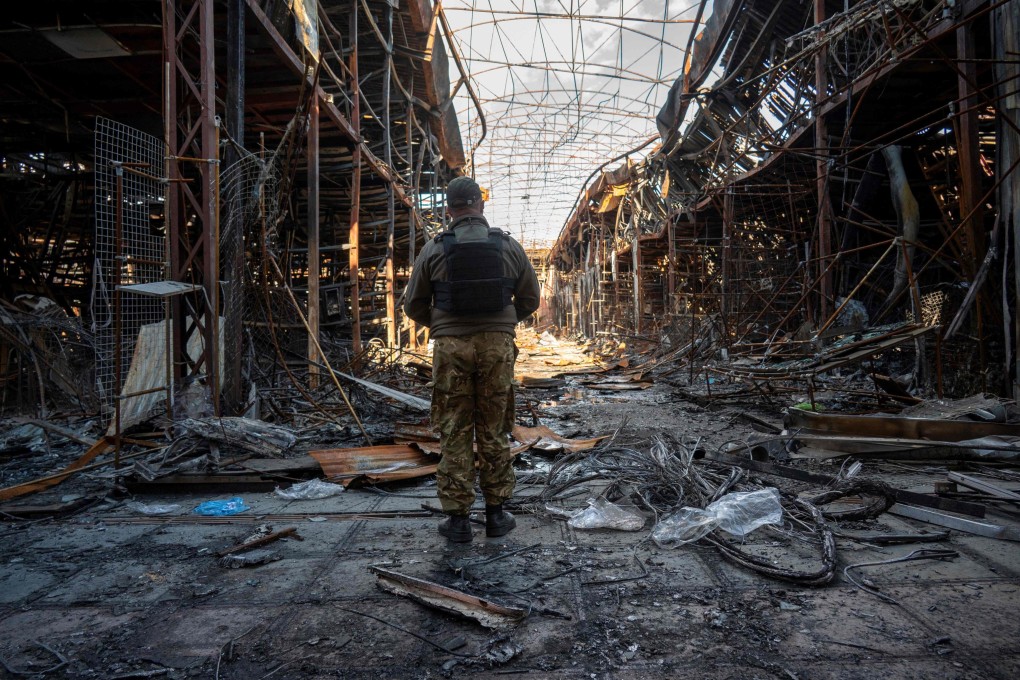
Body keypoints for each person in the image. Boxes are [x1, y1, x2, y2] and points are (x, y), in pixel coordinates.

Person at [404, 176, 541, 542]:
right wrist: (501, 322)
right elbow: (530, 300)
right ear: (481, 205)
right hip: (497, 345)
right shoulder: (508, 246)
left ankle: (459, 521)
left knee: (455, 429)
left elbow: (412, 304)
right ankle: (496, 515)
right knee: (495, 426)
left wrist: (445, 324)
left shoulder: (434, 249)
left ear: (448, 209)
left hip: (451, 347)